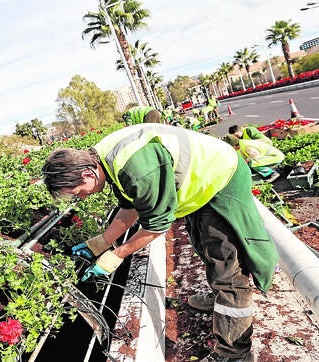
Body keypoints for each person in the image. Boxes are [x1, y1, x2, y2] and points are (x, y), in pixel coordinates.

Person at [41, 123, 278, 362]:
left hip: (220, 178)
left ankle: (234, 353)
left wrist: (117, 254)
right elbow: (131, 206)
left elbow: (157, 224)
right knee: (205, 244)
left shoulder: (135, 168)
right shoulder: (105, 159)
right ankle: (219, 299)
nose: (81, 197)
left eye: (78, 192)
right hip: (201, 180)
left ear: (86, 174)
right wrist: (102, 242)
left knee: (227, 265)